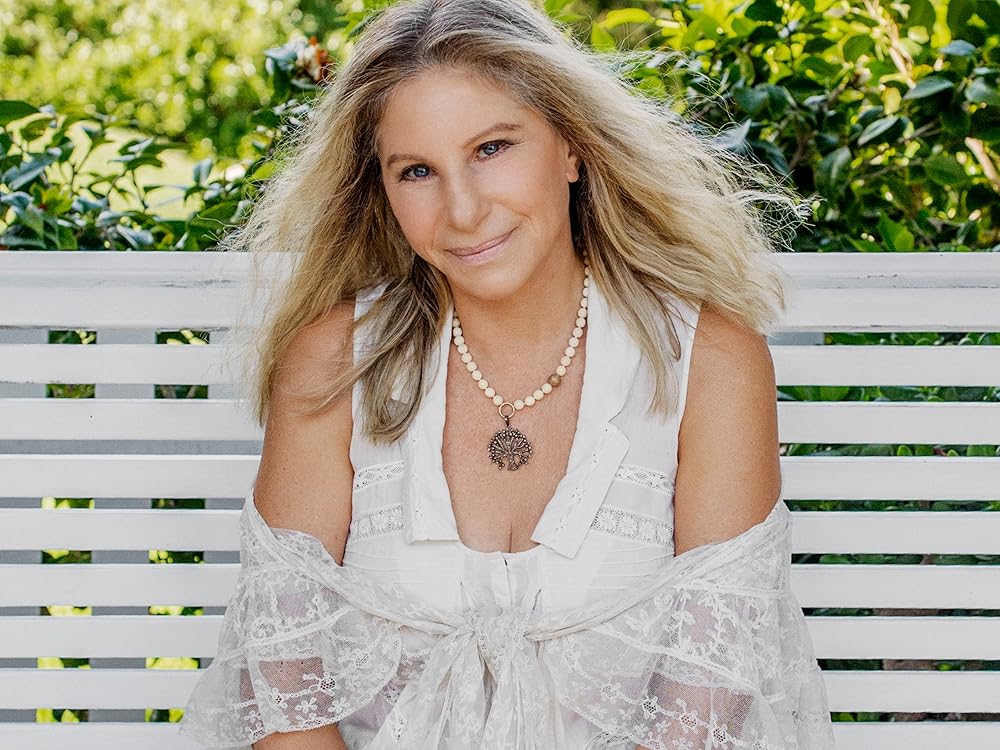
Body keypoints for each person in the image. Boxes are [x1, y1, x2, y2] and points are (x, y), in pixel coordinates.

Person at [179, 0, 835, 747]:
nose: (462, 210)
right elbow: (281, 682)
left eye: (491, 148)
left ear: (572, 147)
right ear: (382, 191)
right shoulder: (334, 359)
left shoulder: (710, 363)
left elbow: (706, 710)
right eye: (417, 171)